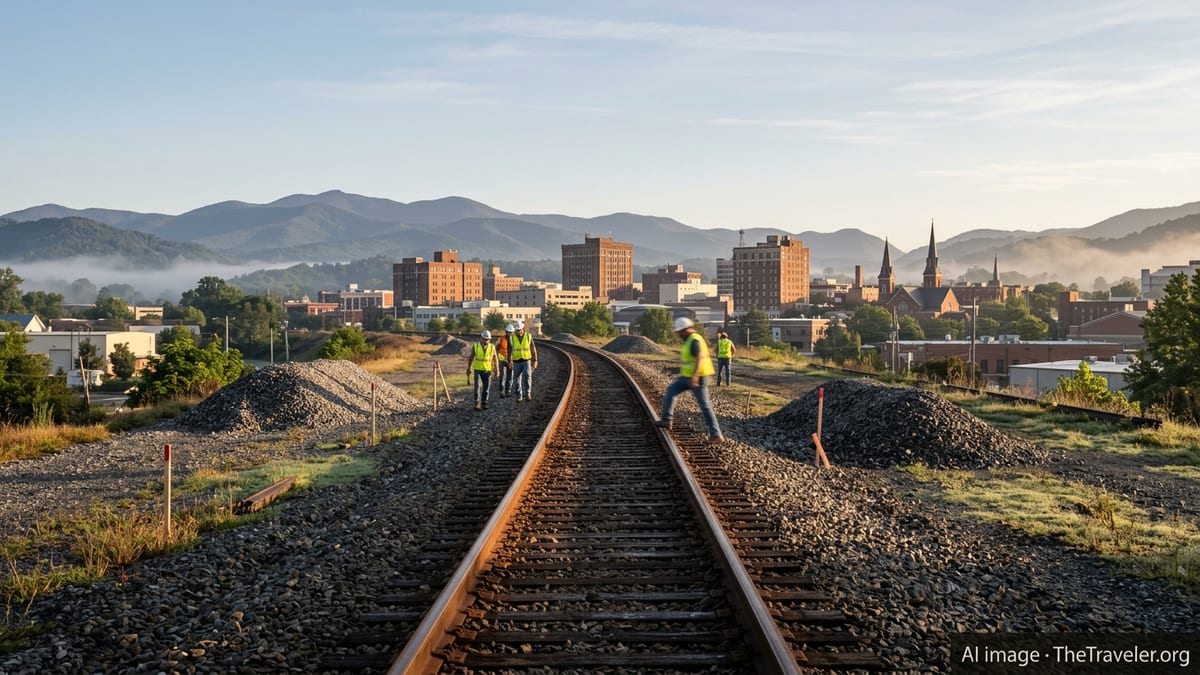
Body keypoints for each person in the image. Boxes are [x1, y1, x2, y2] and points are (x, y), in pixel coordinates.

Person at [657, 317, 724, 443]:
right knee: (671, 391)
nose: (678, 334)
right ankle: (666, 420)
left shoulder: (694, 340)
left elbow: (699, 358)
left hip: (698, 377)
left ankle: (716, 435)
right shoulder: (688, 339)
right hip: (687, 377)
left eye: (680, 331)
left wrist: (695, 376)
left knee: (705, 405)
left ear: (686, 329)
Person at [467, 329, 499, 410]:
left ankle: (484, 403)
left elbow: (495, 359)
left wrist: (497, 370)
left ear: (490, 339)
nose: (486, 340)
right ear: (482, 338)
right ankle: (477, 403)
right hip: (477, 369)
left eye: (487, 339)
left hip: (487, 370)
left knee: (486, 388)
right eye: (485, 339)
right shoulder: (476, 346)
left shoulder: (492, 347)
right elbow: (471, 358)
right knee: (477, 387)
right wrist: (468, 368)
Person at [507, 319, 537, 401]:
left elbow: (532, 348)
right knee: (517, 378)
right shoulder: (512, 338)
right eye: (517, 330)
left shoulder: (528, 336)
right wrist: (509, 361)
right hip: (516, 361)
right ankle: (519, 395)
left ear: (522, 329)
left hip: (526, 360)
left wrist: (535, 360)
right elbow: (509, 350)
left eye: (519, 330)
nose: (518, 331)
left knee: (527, 376)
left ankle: (528, 393)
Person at [496, 324, 515, 397]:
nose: (509, 333)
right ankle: (502, 391)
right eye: (508, 332)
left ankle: (508, 391)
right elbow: (497, 348)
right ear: (506, 331)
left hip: (511, 361)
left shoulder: (514, 340)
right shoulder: (501, 339)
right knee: (503, 376)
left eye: (511, 332)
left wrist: (512, 360)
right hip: (502, 360)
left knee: (510, 376)